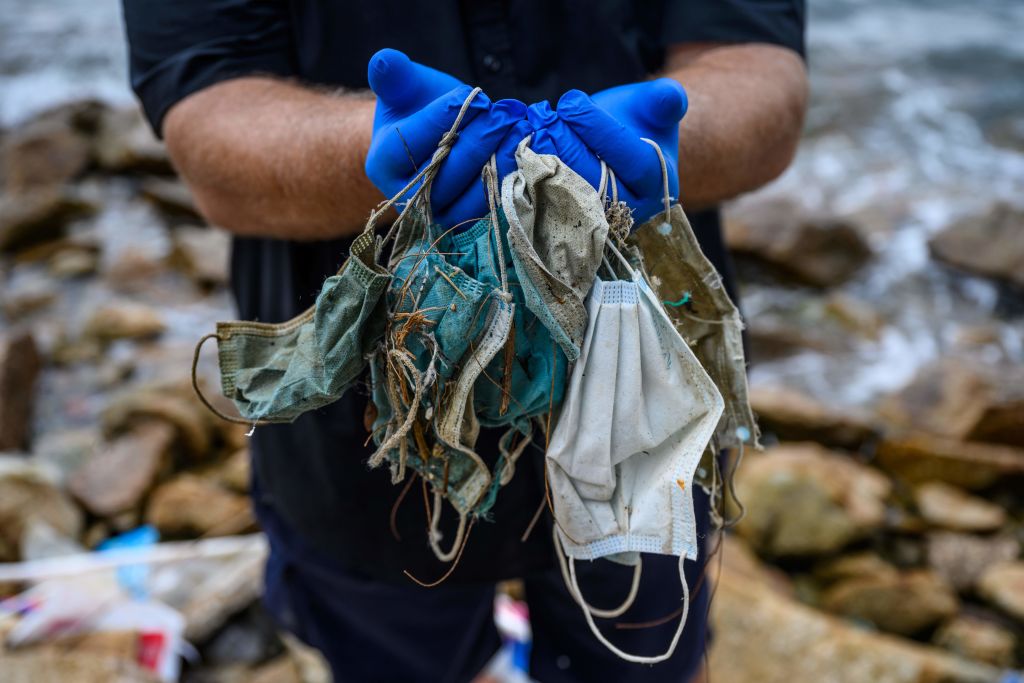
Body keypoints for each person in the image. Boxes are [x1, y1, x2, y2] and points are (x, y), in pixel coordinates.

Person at [123, 3, 807, 682]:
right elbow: (208, 108)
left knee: (644, 657)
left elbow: (758, 67)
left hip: (643, 400)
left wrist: (685, 134)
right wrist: (364, 154)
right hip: (365, 436)